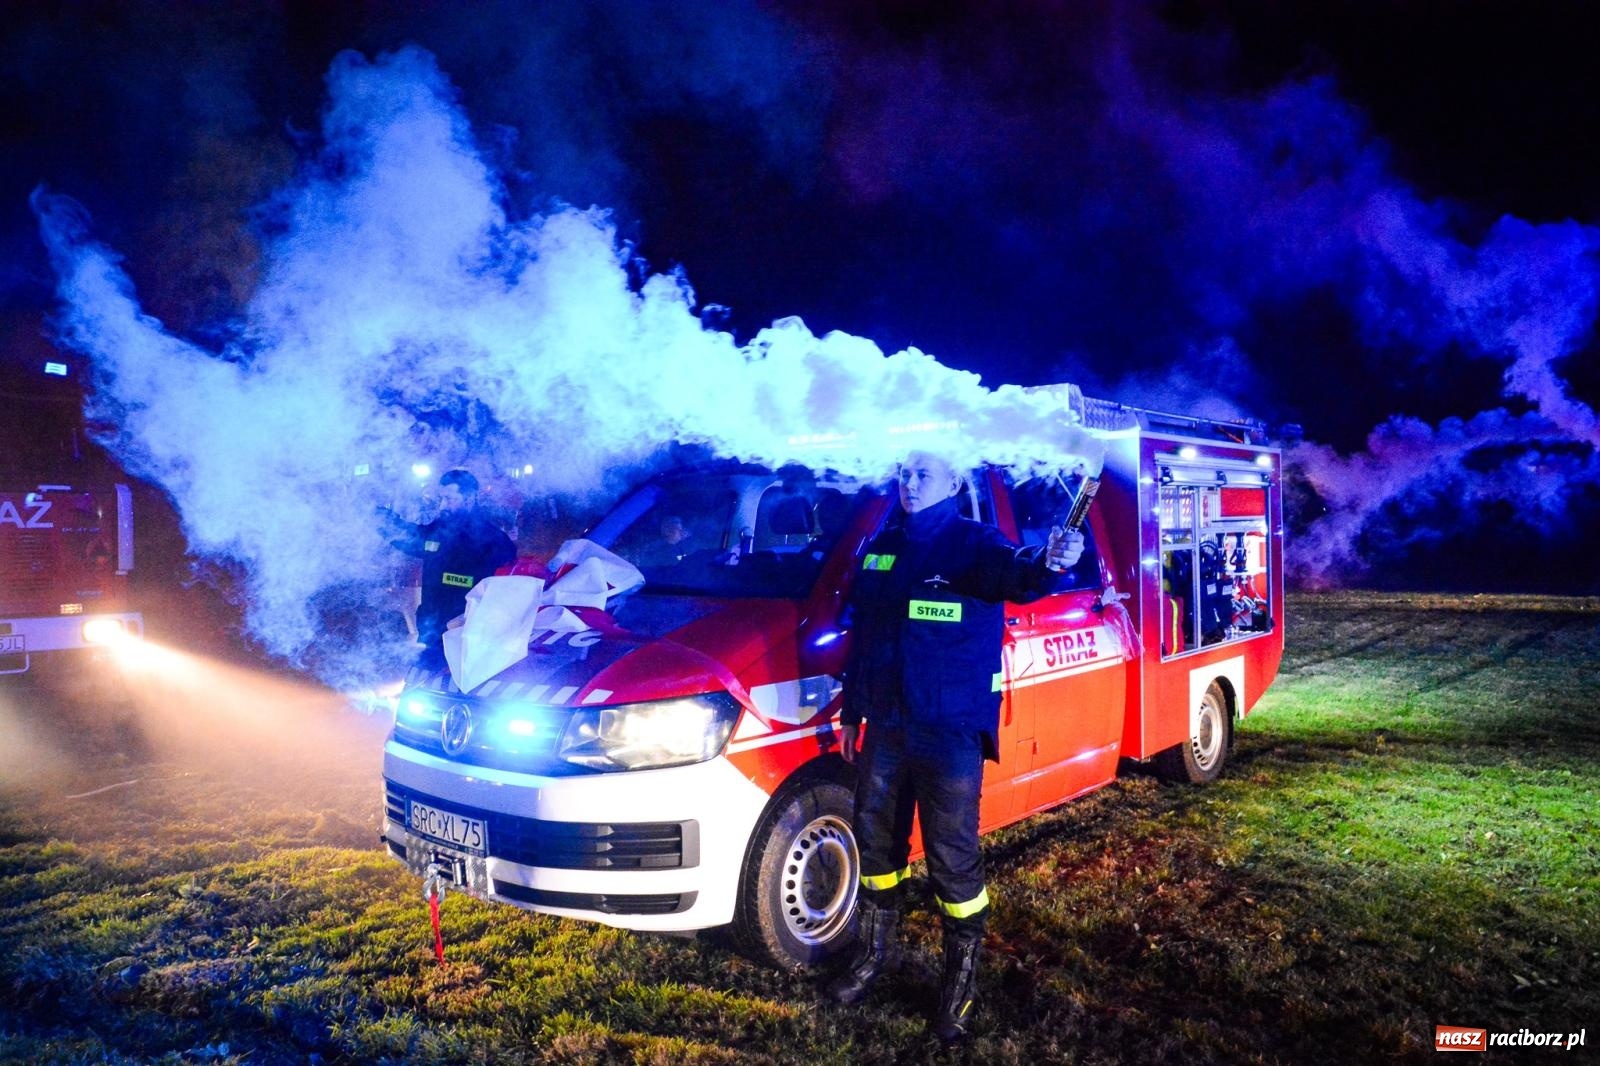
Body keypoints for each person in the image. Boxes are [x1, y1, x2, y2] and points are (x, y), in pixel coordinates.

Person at [829, 450, 1084, 1043]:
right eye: (904, 473)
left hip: (948, 731)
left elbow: (1021, 574)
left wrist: (1051, 559)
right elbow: (866, 638)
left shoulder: (975, 544)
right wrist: (853, 714)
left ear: (953, 481)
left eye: (923, 474)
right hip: (887, 727)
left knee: (951, 856)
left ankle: (960, 986)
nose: (909, 483)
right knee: (877, 844)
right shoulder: (884, 546)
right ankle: (873, 957)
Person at [379, 468, 517, 652]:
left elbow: (504, 595)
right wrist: (379, 517)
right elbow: (411, 538)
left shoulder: (494, 541)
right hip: (432, 629)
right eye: (441, 499)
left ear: (469, 498)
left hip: (468, 635)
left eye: (449, 499)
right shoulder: (439, 529)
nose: (442, 506)